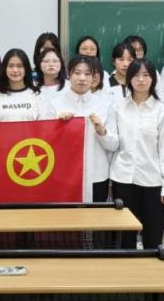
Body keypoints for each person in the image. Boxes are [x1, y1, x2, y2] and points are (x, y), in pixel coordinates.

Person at [109, 58, 164, 249]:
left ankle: (151, 267)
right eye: (136, 75)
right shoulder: (118, 107)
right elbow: (113, 143)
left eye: (146, 75)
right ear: (129, 78)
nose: (141, 80)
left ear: (153, 79)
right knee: (125, 235)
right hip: (123, 177)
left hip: (152, 180)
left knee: (153, 235)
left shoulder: (161, 111)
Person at [48, 55, 115, 202]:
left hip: (97, 175)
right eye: (77, 73)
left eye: (87, 74)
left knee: (96, 215)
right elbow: (46, 142)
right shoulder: (55, 104)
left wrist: (102, 131)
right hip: (64, 174)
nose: (82, 78)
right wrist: (57, 125)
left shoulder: (104, 105)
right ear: (68, 74)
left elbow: (114, 145)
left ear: (94, 77)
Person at [0, 48, 42, 121]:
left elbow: (44, 124)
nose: (15, 70)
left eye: (20, 66)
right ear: (5, 68)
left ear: (26, 68)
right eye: (11, 66)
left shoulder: (35, 95)